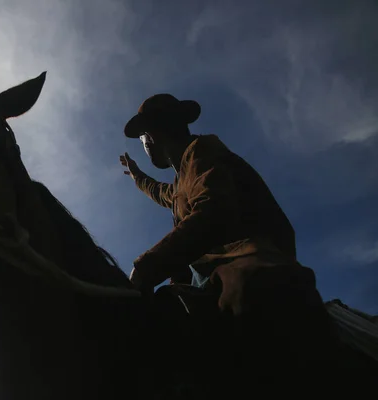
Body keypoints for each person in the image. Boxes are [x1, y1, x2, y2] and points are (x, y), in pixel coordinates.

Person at [120, 93, 316, 316]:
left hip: (250, 278)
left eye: (142, 139)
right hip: (208, 285)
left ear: (150, 136)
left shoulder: (202, 151)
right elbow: (160, 192)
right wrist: (137, 176)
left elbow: (212, 214)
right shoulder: (181, 184)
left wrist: (145, 268)